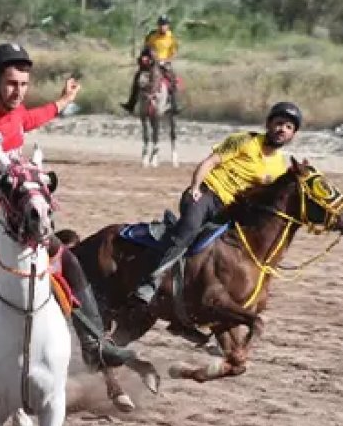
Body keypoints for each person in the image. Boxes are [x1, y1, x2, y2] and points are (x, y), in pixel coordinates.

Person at [0, 42, 135, 402]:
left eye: (23, 84)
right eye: (10, 84)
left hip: (12, 216)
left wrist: (63, 102)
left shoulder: (18, 114)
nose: (18, 91)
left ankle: (95, 344)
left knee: (67, 260)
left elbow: (34, 118)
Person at [128, 101, 304, 309]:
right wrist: (195, 186)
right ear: (268, 124)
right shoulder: (244, 141)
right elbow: (210, 162)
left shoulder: (279, 166)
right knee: (188, 231)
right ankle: (151, 282)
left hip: (230, 209)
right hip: (206, 195)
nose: (282, 129)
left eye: (288, 127)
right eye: (279, 123)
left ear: (292, 135)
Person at [122, 15, 181, 114]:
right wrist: (143, 57)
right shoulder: (152, 35)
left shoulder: (171, 38)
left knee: (173, 79)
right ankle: (131, 103)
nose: (162, 27)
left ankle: (174, 105)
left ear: (168, 26)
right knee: (138, 77)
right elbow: (146, 49)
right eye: (160, 25)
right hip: (152, 63)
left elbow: (174, 53)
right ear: (158, 25)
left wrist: (166, 60)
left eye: (164, 25)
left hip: (164, 63)